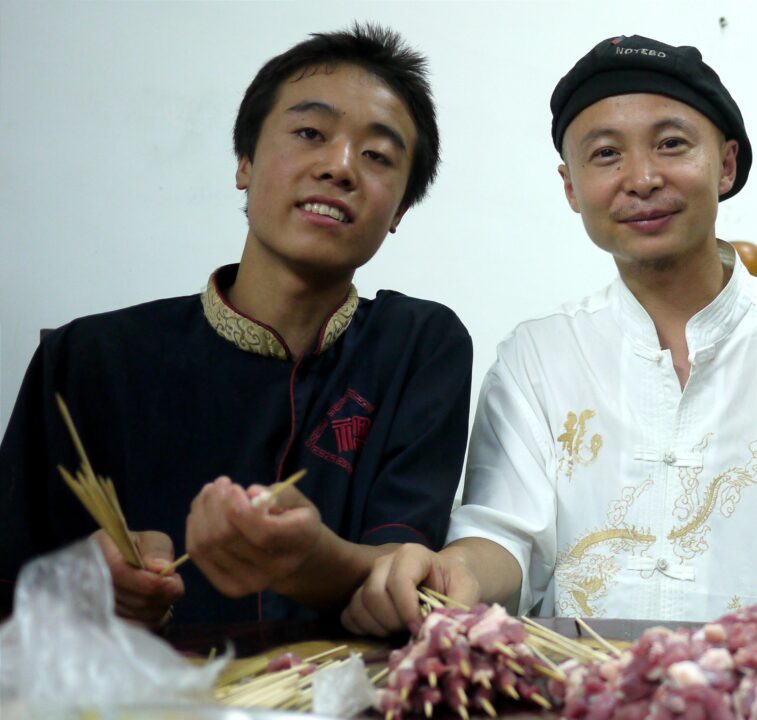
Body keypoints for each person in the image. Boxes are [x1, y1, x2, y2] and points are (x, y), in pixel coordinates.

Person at [341, 34, 757, 636]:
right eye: (606, 154)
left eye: (671, 144)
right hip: (583, 682)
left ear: (726, 164)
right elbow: (505, 537)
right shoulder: (537, 356)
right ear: (571, 188)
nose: (641, 178)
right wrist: (455, 572)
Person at [0, 24, 472, 629]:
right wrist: (81, 585)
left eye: (377, 156)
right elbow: (14, 585)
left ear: (400, 209)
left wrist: (312, 559)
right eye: (310, 133)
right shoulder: (88, 358)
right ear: (244, 161)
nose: (339, 167)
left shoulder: (417, 346)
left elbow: (405, 574)